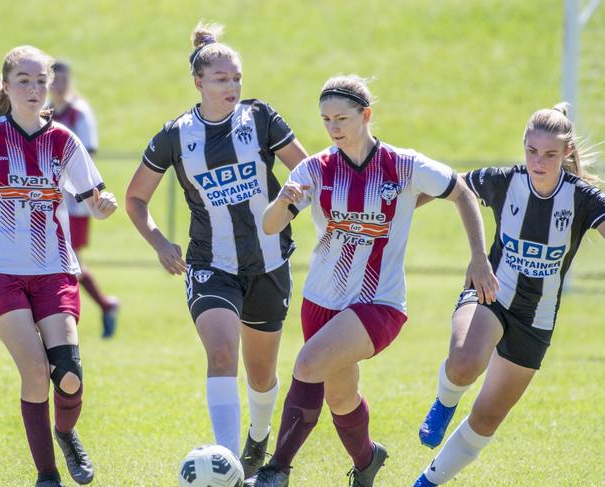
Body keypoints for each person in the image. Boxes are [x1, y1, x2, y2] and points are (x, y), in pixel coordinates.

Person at [245, 75, 498, 487]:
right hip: (321, 302)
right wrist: (283, 200)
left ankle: (276, 470)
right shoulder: (315, 169)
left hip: (378, 302)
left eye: (342, 118)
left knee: (307, 365)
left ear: (366, 115)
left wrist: (478, 257)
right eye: (326, 120)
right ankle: (367, 460)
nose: (333, 128)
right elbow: (270, 226)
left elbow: (461, 191)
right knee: (339, 398)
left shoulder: (403, 165)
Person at [124, 22, 308, 477]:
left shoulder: (260, 118)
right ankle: (229, 467)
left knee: (261, 374)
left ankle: (258, 440)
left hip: (269, 263)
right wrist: (159, 242)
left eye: (237, 78)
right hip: (210, 264)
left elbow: (307, 171)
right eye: (222, 79)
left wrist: (288, 205)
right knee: (222, 352)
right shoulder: (175, 135)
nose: (232, 86)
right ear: (199, 82)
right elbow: (135, 198)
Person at [413, 103, 605, 486]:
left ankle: (426, 483)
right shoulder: (505, 180)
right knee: (465, 362)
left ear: (566, 153)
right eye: (532, 151)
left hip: (538, 320)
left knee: (486, 419)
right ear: (524, 148)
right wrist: (396, 211)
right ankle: (445, 400)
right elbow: (450, 186)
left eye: (550, 154)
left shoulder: (582, 199)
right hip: (491, 292)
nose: (539, 161)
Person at [0, 45, 117, 487]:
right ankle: (47, 476)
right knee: (34, 372)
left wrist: (104, 206)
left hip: (53, 270)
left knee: (68, 377)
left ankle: (65, 434)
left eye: (40, 81)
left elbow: (94, 199)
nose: (33, 88)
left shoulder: (65, 140)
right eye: (23, 80)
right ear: (5, 87)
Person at [49, 60, 119, 338]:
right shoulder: (44, 112)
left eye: (63, 79)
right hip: (49, 200)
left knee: (70, 261)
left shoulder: (79, 113)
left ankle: (102, 306)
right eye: (53, 80)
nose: (58, 85)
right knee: (63, 260)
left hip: (75, 203)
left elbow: (86, 156)